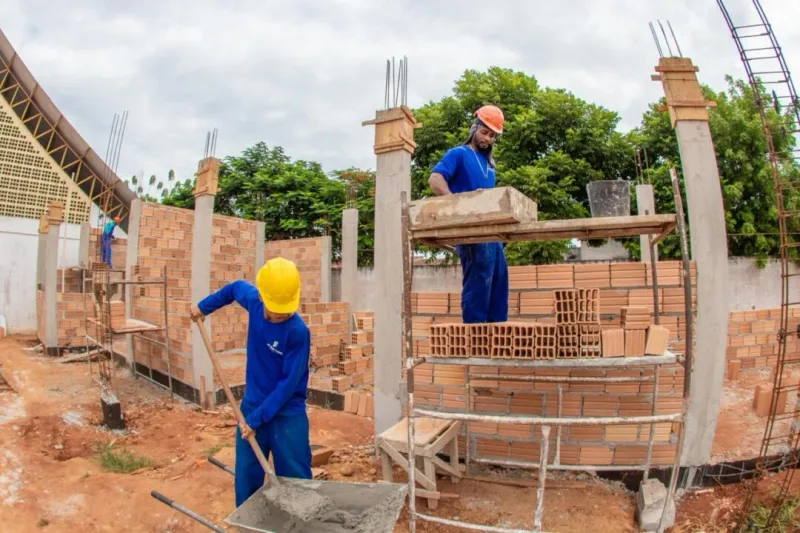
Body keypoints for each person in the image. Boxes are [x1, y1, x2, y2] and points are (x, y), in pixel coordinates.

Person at [190, 257, 312, 507]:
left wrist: (255, 421)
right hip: (252, 406)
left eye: (284, 312)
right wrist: (203, 307)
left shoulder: (298, 332)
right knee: (247, 478)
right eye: (274, 311)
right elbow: (233, 288)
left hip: (286, 414)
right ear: (262, 297)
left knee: (297, 482)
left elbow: (287, 386)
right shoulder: (254, 302)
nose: (279, 316)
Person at [427, 105, 509, 324]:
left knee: (499, 283)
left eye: (492, 135)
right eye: (484, 132)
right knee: (478, 282)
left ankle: (496, 337)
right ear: (474, 129)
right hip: (469, 231)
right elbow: (435, 179)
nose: (487, 138)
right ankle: (475, 340)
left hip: (491, 232)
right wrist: (456, 204)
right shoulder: (459, 154)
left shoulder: (490, 167)